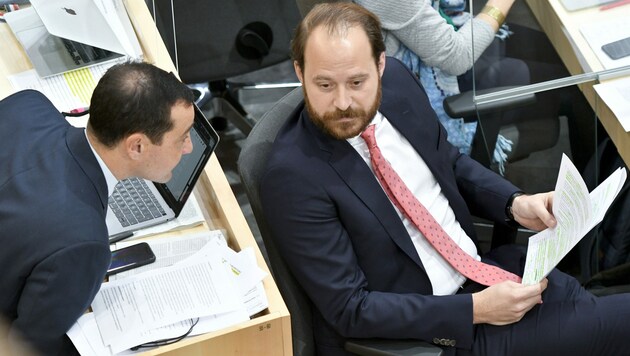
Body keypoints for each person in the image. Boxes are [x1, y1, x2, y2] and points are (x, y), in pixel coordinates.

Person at [260, 3, 630, 355]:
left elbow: (449, 164)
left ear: (381, 65)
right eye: (324, 85)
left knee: (588, 313)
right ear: (299, 72)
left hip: (488, 272)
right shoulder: (292, 175)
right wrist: (474, 310)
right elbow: (350, 309)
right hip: (437, 332)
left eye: (357, 82)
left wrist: (514, 202)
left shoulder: (398, 86)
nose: (343, 102)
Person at [0, 61, 195, 355]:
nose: (188, 148)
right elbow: (26, 347)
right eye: (182, 137)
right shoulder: (83, 243)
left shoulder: (29, 104)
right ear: (137, 146)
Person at [353, 0, 596, 174]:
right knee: (585, 85)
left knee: (571, 52)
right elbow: (457, 56)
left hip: (450, 34)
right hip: (440, 88)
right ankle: (604, 231)